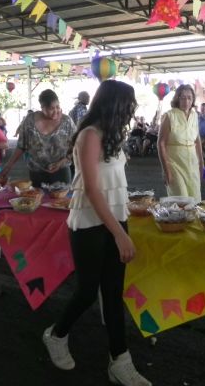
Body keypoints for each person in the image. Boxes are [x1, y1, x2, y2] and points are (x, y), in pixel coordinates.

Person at [42, 80, 151, 386]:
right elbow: (91, 189)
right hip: (90, 223)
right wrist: (120, 234)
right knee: (88, 291)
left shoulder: (113, 135)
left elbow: (111, 182)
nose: (131, 110)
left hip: (116, 218)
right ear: (113, 104)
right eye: (128, 104)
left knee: (114, 294)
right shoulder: (89, 135)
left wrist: (122, 221)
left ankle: (120, 360)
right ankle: (56, 335)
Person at [0, 89, 77, 186]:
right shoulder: (30, 120)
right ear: (42, 108)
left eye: (58, 107)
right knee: (36, 195)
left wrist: (62, 162)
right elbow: (21, 146)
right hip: (36, 172)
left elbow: (77, 145)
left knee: (60, 196)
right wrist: (7, 167)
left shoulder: (67, 122)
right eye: (51, 108)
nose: (56, 111)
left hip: (61, 172)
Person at [157, 84, 203, 203]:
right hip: (174, 164)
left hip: (192, 164)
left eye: (189, 98)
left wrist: (201, 164)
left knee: (195, 199)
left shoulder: (195, 115)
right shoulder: (169, 116)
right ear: (177, 98)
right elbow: (161, 143)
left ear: (193, 100)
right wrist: (166, 170)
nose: (186, 101)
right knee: (181, 200)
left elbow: (197, 140)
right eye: (183, 98)